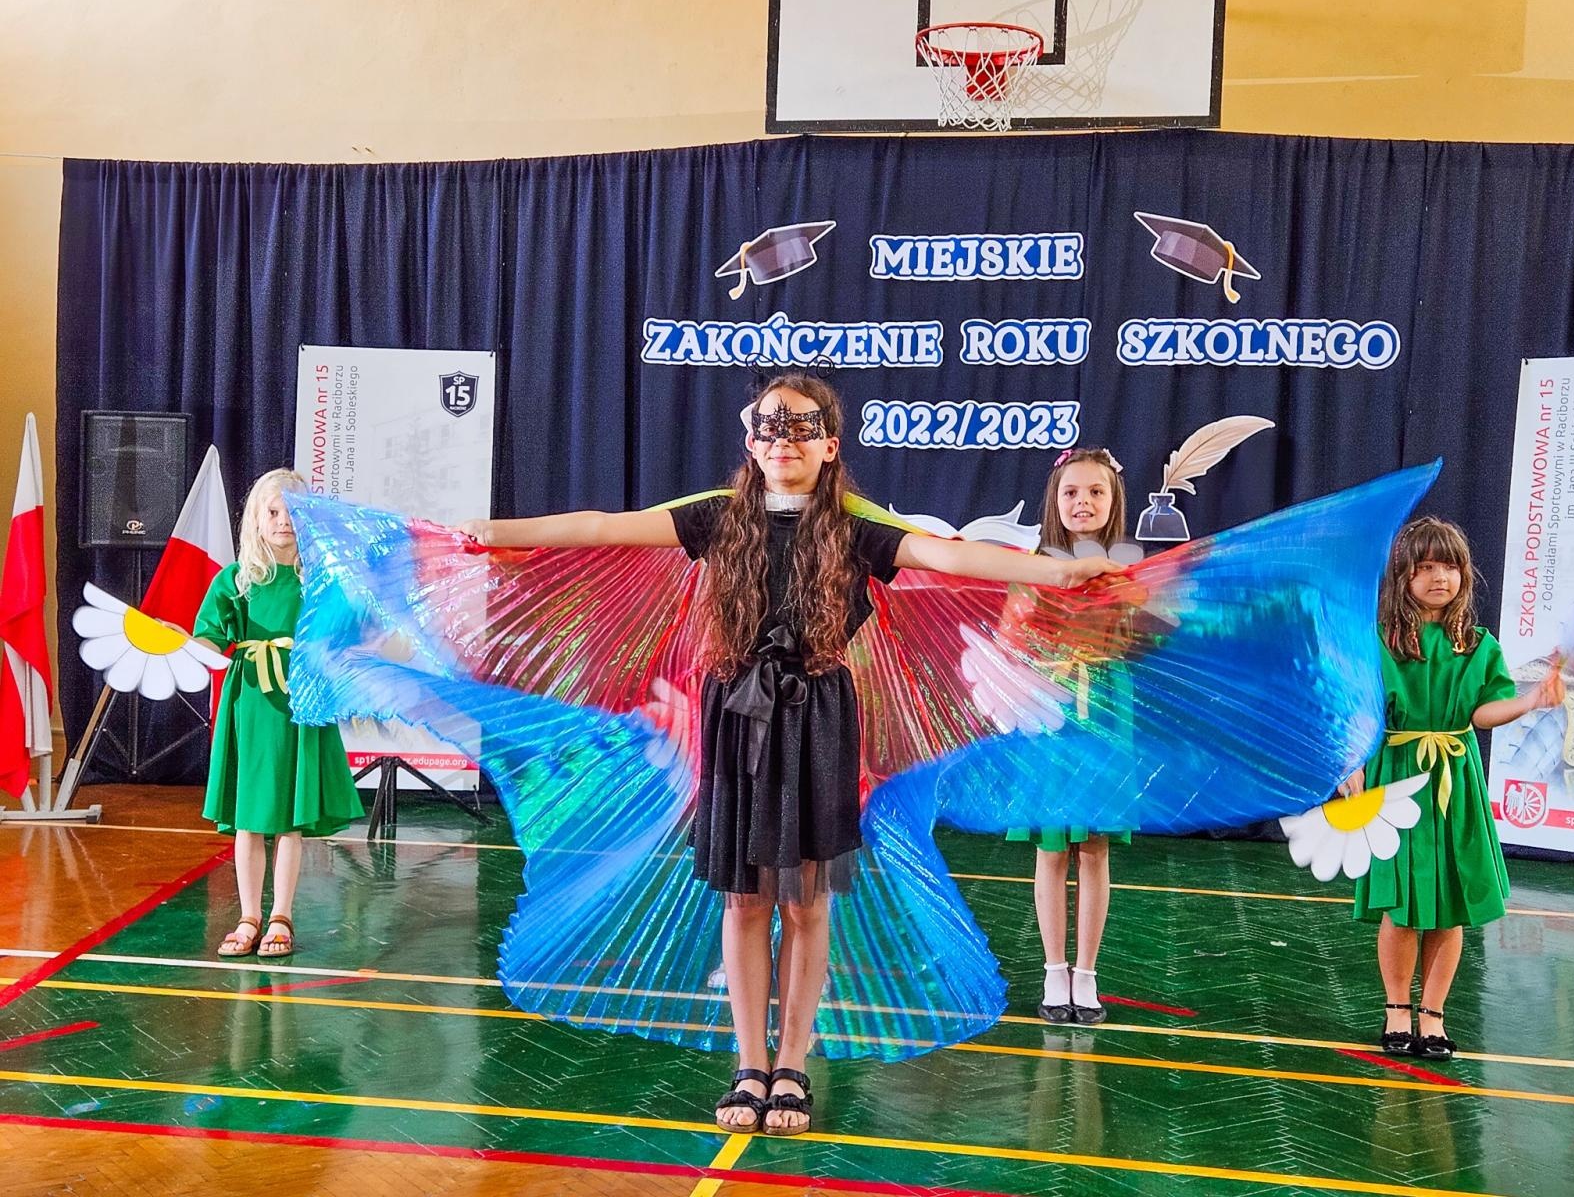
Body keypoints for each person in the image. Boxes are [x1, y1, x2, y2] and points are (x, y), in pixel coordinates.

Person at [459, 374, 1123, 1134]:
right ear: (751, 444)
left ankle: (794, 1065)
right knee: (744, 899)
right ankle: (749, 1063)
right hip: (737, 721)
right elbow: (602, 526)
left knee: (807, 901)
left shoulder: (854, 529)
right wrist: (493, 529)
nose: (784, 442)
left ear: (831, 446)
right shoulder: (716, 519)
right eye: (771, 430)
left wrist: (1058, 569)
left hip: (819, 723)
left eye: (802, 429)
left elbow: (954, 558)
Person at [1344, 517, 1563, 1059]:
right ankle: (1397, 1007)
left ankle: (1434, 1013)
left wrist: (1531, 702)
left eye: (1449, 566)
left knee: (1449, 904)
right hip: (1396, 778)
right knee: (1400, 902)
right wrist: (1349, 764)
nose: (1439, 577)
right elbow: (1356, 714)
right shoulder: (1379, 642)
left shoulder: (1478, 645)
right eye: (1425, 567)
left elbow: (1483, 712)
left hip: (1453, 779)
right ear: (1404, 577)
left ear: (1464, 574)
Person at [194, 469, 365, 960]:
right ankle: (248, 916)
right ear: (256, 518)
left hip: (299, 701)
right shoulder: (237, 579)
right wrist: (177, 643)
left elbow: (345, 637)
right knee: (249, 818)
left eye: (292, 511)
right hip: (250, 703)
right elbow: (207, 636)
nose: (282, 521)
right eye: (272, 511)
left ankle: (281, 916)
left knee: (288, 819)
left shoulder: (321, 579)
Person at [1006, 446, 1136, 1025]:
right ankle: (1053, 971)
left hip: (1106, 714)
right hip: (1051, 715)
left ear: (1114, 502)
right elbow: (1012, 638)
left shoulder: (1129, 566)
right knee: (1052, 847)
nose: (1083, 502)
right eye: (1071, 493)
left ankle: (1087, 973)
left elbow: (1139, 639)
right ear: (1054, 502)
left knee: (1096, 848)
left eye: (1096, 492)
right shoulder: (1036, 565)